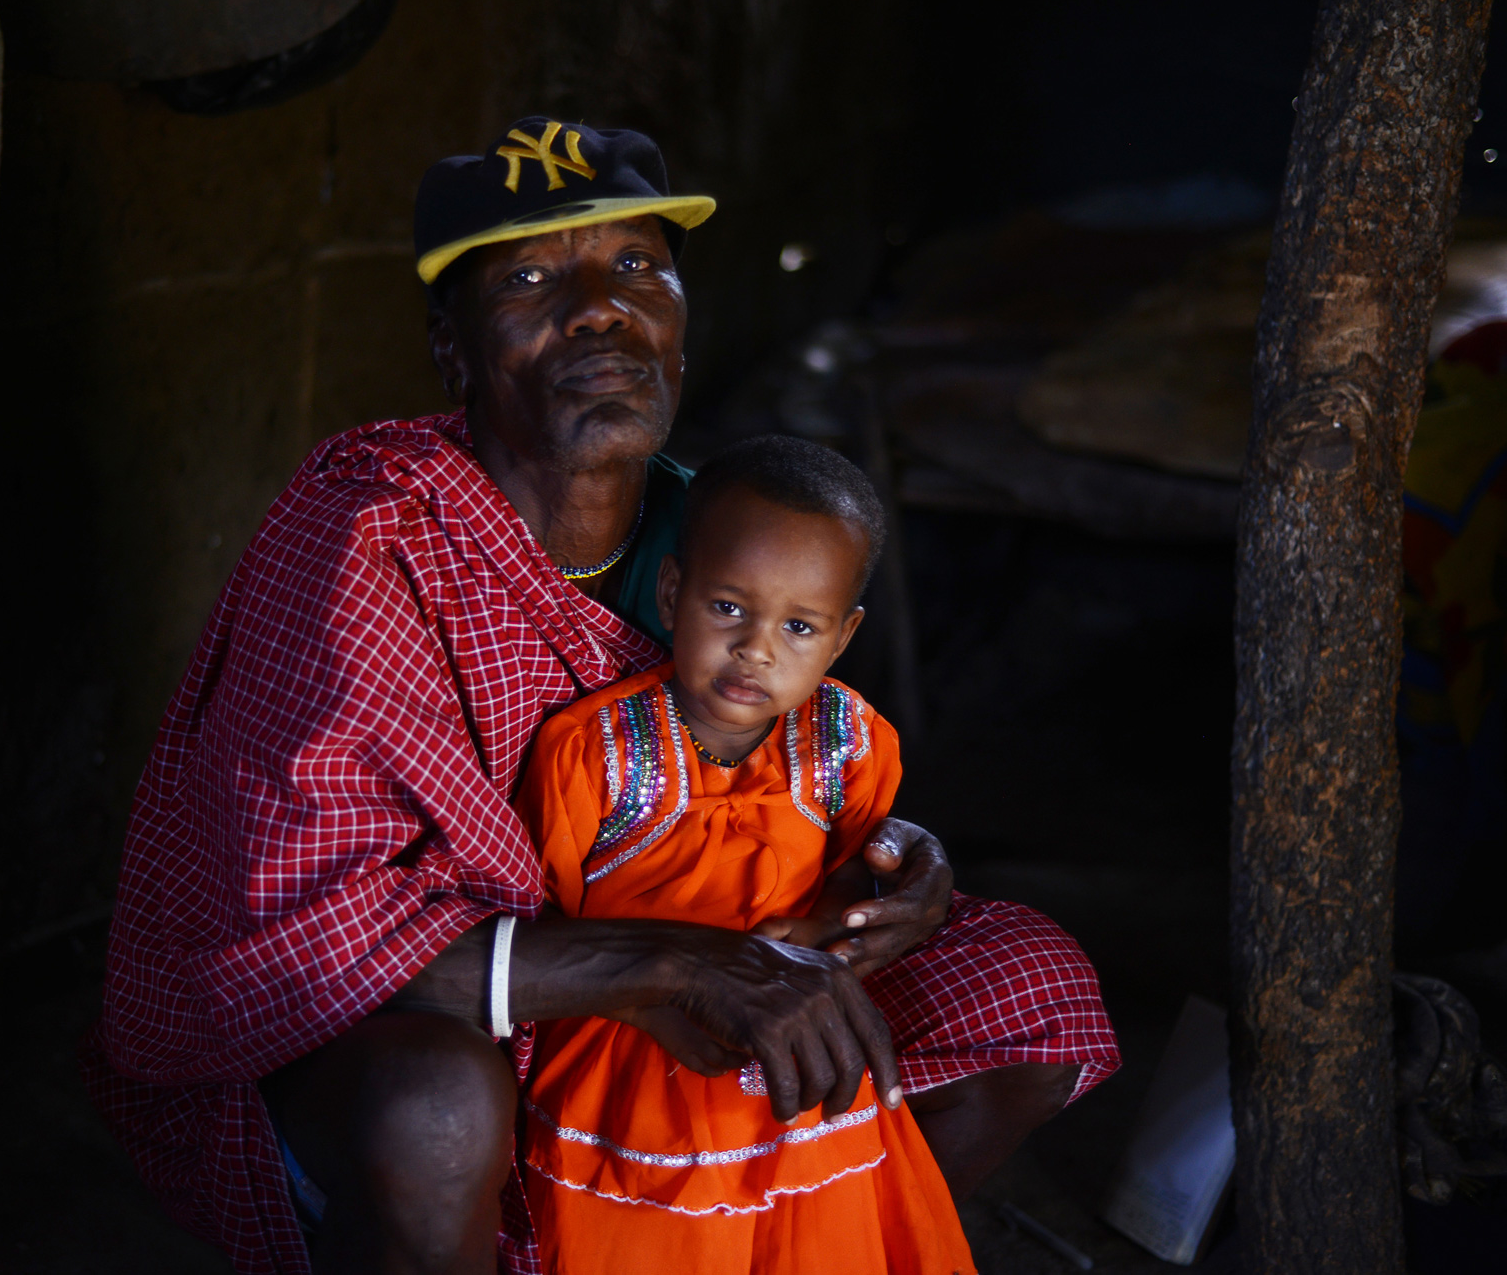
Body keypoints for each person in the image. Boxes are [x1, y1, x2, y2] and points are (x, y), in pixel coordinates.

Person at [83, 117, 1119, 1275]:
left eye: (637, 266)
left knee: (1026, 986)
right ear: (452, 350)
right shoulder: (373, 537)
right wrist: (663, 965)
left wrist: (884, 858)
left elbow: (780, 771)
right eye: (531, 278)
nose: (598, 306)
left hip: (696, 983)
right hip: (464, 1017)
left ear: (678, 326)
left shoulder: (722, 534)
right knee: (434, 1106)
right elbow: (302, 923)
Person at [516, 435, 973, 1274]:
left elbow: (849, 883)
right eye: (729, 607)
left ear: (842, 639)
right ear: (672, 590)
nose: (758, 648)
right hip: (631, 1060)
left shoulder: (850, 744)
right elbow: (548, 913)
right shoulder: (593, 751)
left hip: (792, 1067)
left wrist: (834, 928)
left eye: (799, 626)